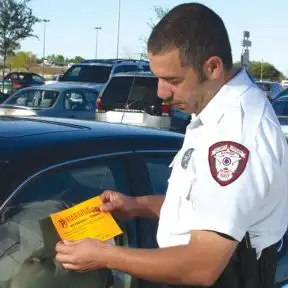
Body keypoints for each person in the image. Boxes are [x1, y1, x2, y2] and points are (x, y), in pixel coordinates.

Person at [55, 3, 288, 287]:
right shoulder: (214, 113)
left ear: (213, 67)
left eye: (172, 80)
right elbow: (200, 206)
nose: (161, 92)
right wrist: (137, 205)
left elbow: (202, 266)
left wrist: (106, 255)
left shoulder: (235, 134)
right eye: (158, 77)